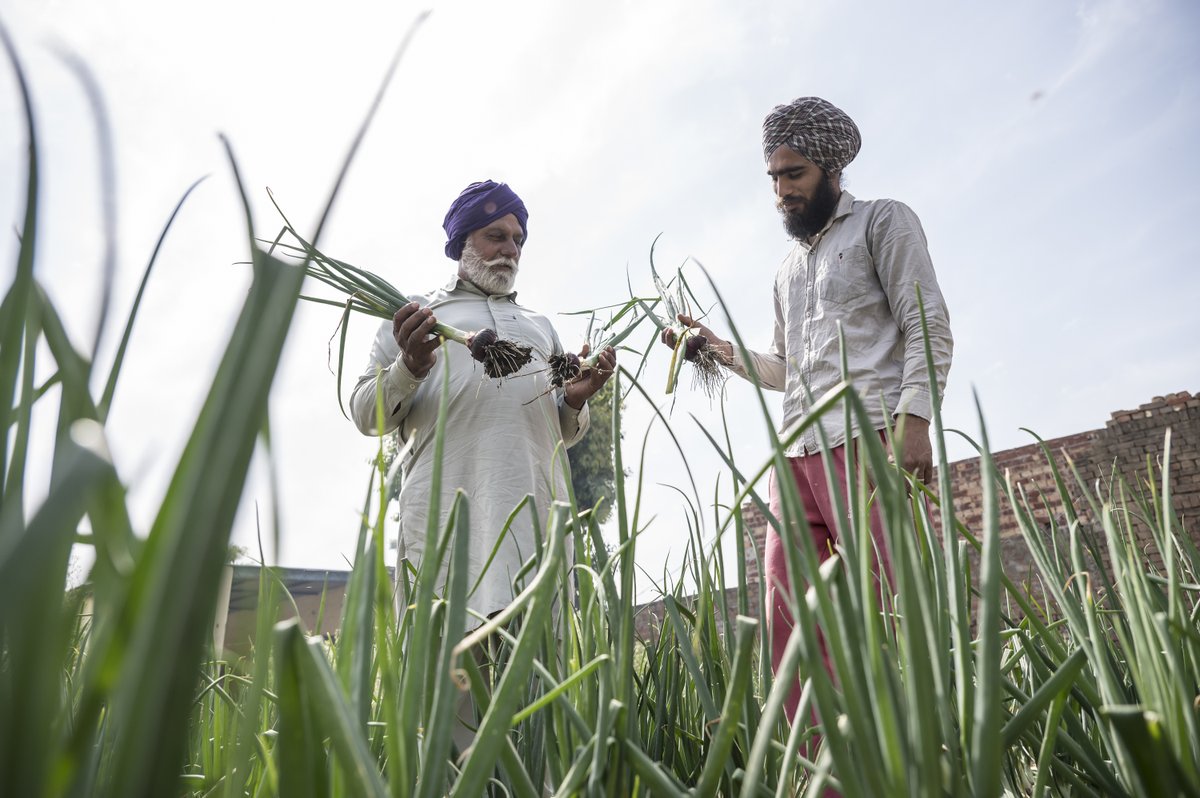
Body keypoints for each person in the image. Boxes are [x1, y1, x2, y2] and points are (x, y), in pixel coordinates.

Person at [662, 97, 953, 724]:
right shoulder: (786, 270)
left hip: (867, 437)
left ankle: (924, 761)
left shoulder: (884, 222)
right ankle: (828, 776)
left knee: (894, 607)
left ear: (829, 169)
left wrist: (916, 423)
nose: (781, 192)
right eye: (774, 177)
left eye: (793, 175)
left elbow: (926, 323)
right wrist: (716, 349)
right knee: (789, 621)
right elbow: (786, 371)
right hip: (793, 456)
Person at [350, 179, 616, 623]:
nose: (510, 249)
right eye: (496, 236)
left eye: (518, 240)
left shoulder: (540, 327)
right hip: (447, 530)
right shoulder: (415, 316)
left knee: (537, 679)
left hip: (536, 528)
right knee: (444, 678)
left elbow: (561, 434)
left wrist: (573, 402)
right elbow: (365, 414)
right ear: (462, 243)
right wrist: (409, 366)